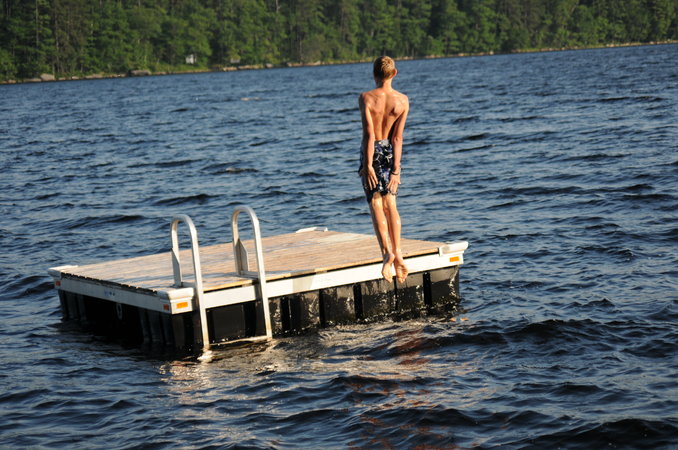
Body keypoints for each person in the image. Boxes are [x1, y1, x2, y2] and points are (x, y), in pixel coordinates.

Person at [358, 56, 410, 284]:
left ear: (373, 74)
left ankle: (387, 254)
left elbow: (369, 135)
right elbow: (397, 138)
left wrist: (368, 165)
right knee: (391, 205)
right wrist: (396, 170)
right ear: (394, 73)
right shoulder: (403, 100)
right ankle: (398, 254)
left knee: (376, 204)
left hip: (372, 152)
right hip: (390, 153)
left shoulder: (366, 98)